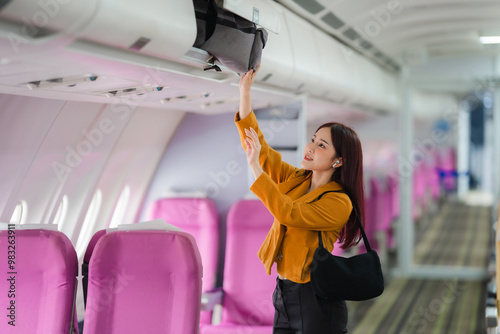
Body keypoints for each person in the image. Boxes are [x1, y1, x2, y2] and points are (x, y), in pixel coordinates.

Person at [234, 65, 365, 334]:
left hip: (315, 298)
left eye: (321, 146)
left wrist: (256, 171)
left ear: (338, 161)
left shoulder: (340, 203)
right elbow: (260, 150)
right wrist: (244, 92)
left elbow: (289, 213)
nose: (310, 147)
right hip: (284, 291)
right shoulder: (298, 179)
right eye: (313, 139)